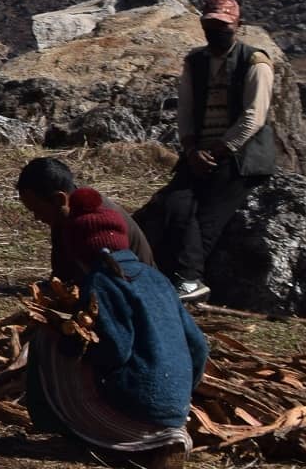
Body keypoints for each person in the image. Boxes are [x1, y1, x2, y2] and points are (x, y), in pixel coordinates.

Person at [21, 188, 209, 466]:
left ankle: (64, 428)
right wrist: (181, 392)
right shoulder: (159, 280)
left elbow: (114, 350)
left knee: (45, 341)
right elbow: (199, 346)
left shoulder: (100, 282)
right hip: (176, 413)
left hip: (136, 409)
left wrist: (70, 344)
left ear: (79, 251)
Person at [140, 0, 276, 301]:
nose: (217, 31)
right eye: (211, 25)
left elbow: (253, 117)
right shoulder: (195, 62)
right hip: (198, 153)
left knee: (209, 216)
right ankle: (176, 278)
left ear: (237, 26)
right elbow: (186, 111)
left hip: (240, 157)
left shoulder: (255, 62)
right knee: (175, 203)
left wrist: (217, 151)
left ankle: (189, 279)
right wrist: (191, 149)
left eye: (224, 26)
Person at [17, 156, 155, 282]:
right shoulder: (62, 214)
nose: (36, 217)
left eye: (38, 210)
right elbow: (62, 274)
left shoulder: (98, 224)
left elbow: (111, 285)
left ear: (59, 199)